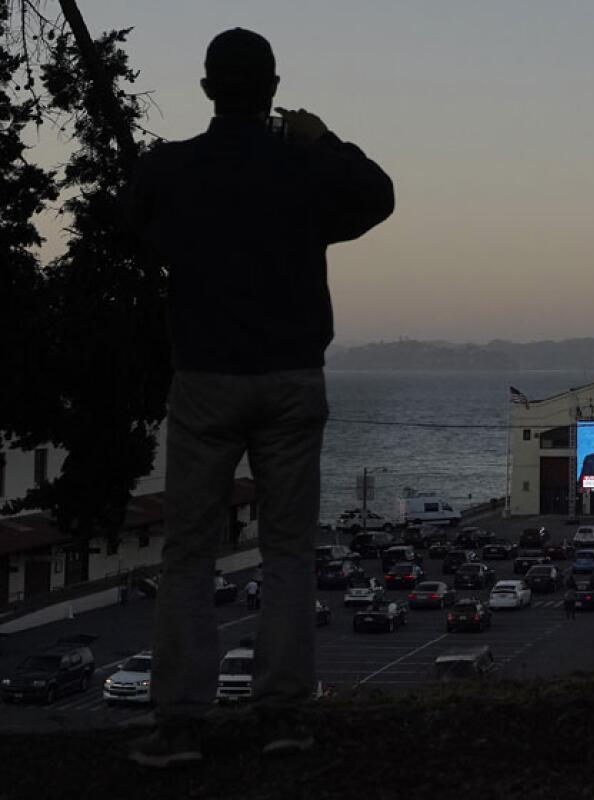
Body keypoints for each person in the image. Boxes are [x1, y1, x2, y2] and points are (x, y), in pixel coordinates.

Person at [126, 28, 393, 767]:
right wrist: (322, 139)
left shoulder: (170, 169)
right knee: (287, 552)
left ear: (208, 90)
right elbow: (377, 197)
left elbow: (138, 225)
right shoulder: (301, 169)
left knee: (188, 555)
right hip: (291, 377)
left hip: (206, 378)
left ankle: (180, 723)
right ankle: (284, 717)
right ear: (273, 90)